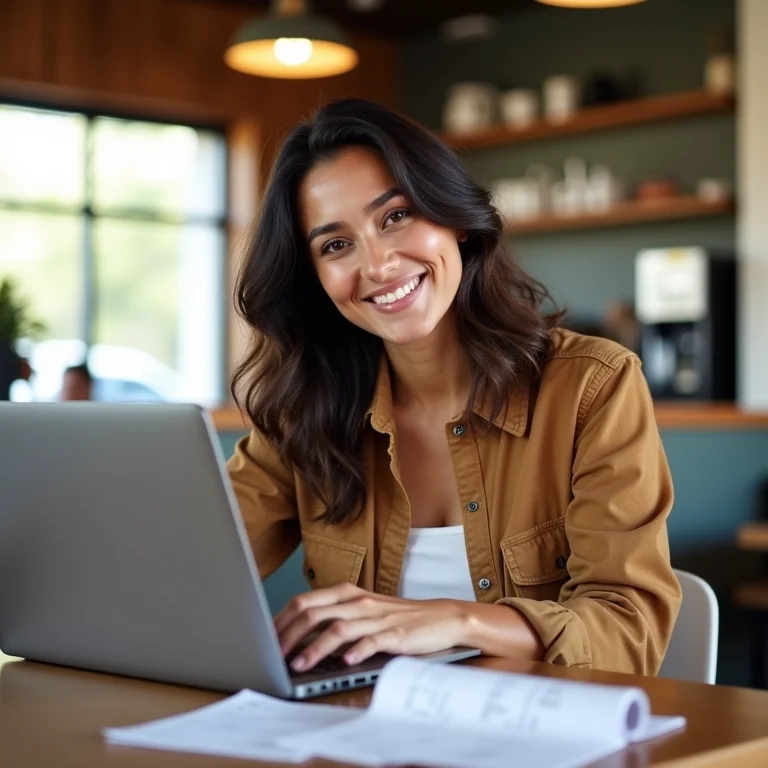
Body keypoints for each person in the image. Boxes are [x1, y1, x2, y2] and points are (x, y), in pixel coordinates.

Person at [227, 98, 681, 677]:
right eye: (335, 245)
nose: (379, 264)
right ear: (314, 279)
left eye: (395, 217)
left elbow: (629, 631)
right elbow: (192, 564)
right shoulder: (304, 414)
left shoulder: (594, 387)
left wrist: (456, 620)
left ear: (457, 220)